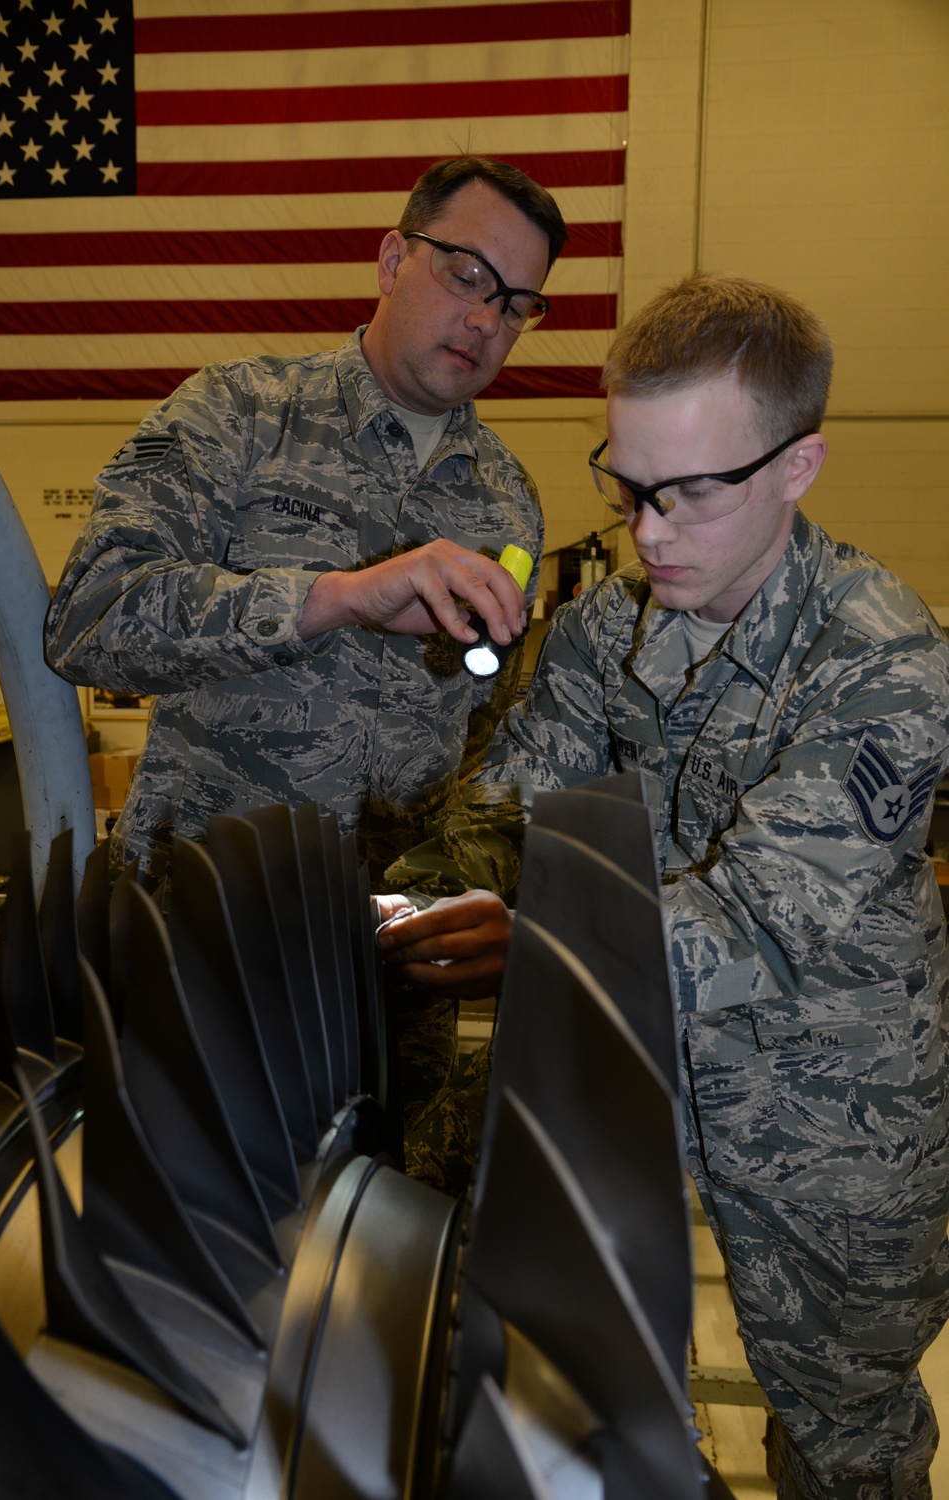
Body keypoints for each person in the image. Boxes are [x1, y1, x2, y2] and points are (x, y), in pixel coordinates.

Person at [377, 273, 949, 1499]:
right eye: (628, 485)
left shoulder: (884, 661)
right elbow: (505, 811)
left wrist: (529, 943)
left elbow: (761, 919)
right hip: (624, 1065)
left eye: (691, 492)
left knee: (842, 1425)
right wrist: (403, 899)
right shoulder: (603, 629)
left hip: (827, 1104)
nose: (647, 531)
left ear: (798, 468)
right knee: (593, 1377)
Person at [45, 155, 567, 887]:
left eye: (516, 304)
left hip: (390, 955)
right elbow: (89, 620)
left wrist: (465, 883)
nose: (485, 319)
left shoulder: (508, 500)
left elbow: (490, 729)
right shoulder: (239, 412)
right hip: (200, 926)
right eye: (466, 275)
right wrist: (337, 597)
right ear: (393, 259)